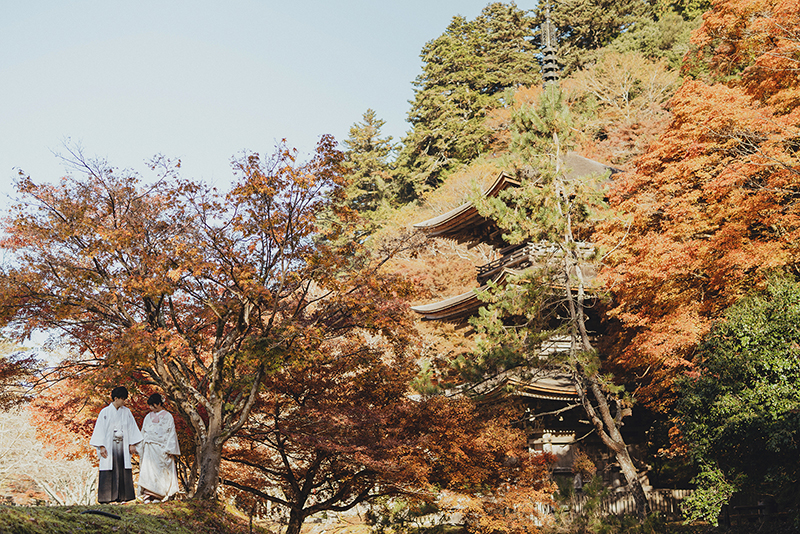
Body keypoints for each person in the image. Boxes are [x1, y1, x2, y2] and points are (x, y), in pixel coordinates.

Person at [90, 386, 143, 504]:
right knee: (109, 467)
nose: (124, 401)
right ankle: (107, 498)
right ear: (115, 398)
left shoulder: (127, 412)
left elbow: (132, 428)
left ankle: (123, 497)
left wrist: (132, 444)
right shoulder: (105, 412)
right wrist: (101, 446)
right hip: (109, 445)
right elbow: (100, 430)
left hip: (123, 444)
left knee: (122, 467)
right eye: (122, 399)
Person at [137, 393, 181, 503]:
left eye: (154, 405)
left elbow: (171, 433)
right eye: (150, 406)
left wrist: (171, 449)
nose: (152, 408)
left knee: (160, 470)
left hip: (162, 448)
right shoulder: (148, 416)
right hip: (149, 447)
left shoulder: (168, 416)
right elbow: (143, 431)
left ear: (159, 404)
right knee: (148, 470)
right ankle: (148, 494)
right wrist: (139, 445)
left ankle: (158, 495)